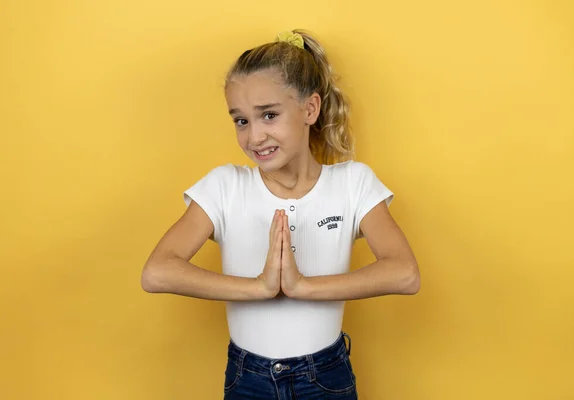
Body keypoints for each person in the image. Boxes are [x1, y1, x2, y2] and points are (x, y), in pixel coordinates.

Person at [141, 29, 420, 400]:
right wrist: (259, 287)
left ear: (310, 109)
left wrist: (302, 286)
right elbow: (157, 272)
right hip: (248, 378)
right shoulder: (225, 186)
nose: (254, 137)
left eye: (268, 115)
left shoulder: (353, 183)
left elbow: (405, 273)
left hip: (325, 378)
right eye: (241, 121)